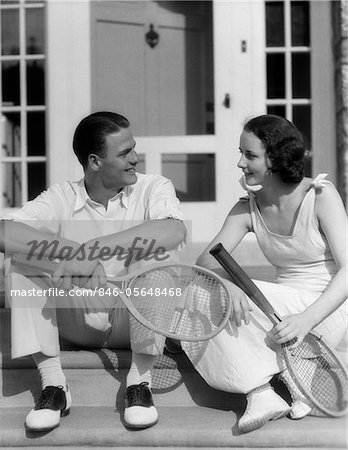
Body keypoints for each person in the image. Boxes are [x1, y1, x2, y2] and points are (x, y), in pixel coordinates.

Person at [1, 111, 186, 432]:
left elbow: (173, 231)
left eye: (134, 149)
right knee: (21, 261)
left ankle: (139, 383)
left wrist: (94, 249)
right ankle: (53, 385)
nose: (136, 158)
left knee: (157, 256)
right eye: (125, 153)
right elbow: (5, 233)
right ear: (95, 162)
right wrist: (69, 259)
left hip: (135, 319)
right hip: (79, 320)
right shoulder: (61, 196)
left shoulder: (154, 187)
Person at [182, 114, 347, 433]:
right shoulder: (247, 208)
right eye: (240, 153)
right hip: (278, 316)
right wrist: (230, 287)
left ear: (275, 158)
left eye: (250, 155)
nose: (240, 163)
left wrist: (306, 319)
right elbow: (206, 258)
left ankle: (290, 365)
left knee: (205, 292)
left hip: (325, 314)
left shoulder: (320, 195)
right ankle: (260, 393)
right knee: (200, 290)